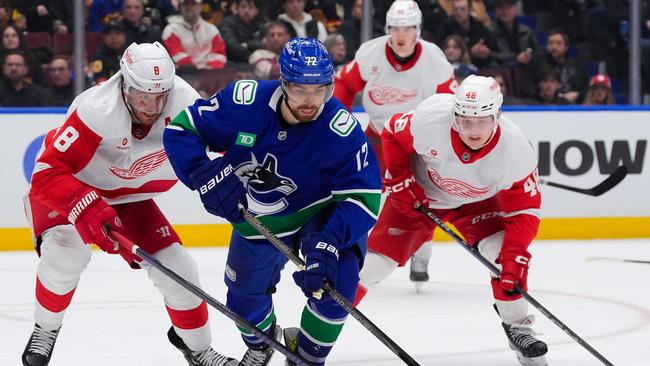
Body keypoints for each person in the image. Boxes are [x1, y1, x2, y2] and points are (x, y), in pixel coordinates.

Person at [163, 38, 381, 366]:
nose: (311, 101)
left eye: (320, 89)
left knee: (338, 284)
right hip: (256, 215)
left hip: (318, 215)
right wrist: (202, 174)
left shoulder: (341, 130)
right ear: (283, 83)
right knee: (243, 302)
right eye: (300, 90)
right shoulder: (244, 102)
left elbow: (364, 197)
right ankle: (262, 344)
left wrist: (330, 241)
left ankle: (306, 357)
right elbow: (182, 130)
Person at [21, 42, 237, 366]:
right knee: (66, 254)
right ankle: (45, 328)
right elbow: (47, 173)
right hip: (71, 190)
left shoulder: (185, 102)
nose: (152, 107)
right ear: (125, 84)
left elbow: (228, 146)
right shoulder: (96, 110)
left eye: (159, 96)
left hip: (128, 198)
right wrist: (86, 207)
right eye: (143, 97)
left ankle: (199, 348)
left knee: (179, 268)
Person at [354, 75, 548, 366]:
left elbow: (525, 209)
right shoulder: (432, 116)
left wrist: (516, 253)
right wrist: (398, 176)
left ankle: (518, 327)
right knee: (370, 269)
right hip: (417, 198)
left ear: (497, 115)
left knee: (503, 257)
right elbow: (392, 132)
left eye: (481, 121)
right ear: (454, 113)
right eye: (464, 120)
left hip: (476, 204)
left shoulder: (516, 150)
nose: (472, 130)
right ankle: (319, 331)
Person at [334, 0, 455, 288]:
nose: (401, 35)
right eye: (396, 28)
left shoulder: (435, 60)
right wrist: (338, 125)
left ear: (418, 30)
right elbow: (345, 85)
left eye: (408, 28)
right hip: (377, 138)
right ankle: (355, 253)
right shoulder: (370, 53)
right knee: (361, 195)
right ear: (388, 29)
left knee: (421, 202)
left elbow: (451, 106)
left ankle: (420, 254)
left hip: (416, 145)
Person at [162, 0, 227, 70]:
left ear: (201, 6)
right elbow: (178, 58)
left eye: (193, 4)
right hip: (185, 75)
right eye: (185, 4)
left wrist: (206, 67)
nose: (189, 7)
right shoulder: (171, 30)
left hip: (211, 73)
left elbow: (220, 56)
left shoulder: (211, 29)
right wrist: (199, 68)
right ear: (180, 7)